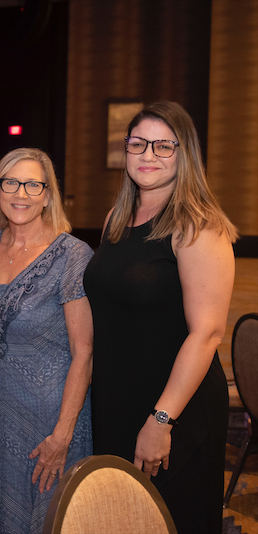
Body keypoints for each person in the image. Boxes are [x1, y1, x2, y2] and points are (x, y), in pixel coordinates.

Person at [84, 101, 237, 534]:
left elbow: (206, 334)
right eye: (138, 143)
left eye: (163, 145)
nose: (148, 154)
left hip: (174, 408)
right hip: (117, 399)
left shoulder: (197, 225)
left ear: (184, 153)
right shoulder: (118, 218)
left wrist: (161, 419)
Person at [0, 148, 94, 534]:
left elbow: (84, 353)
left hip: (51, 422)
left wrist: (62, 434)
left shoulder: (72, 256)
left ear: (48, 195)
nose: (21, 193)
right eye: (11, 183)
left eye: (33, 185)